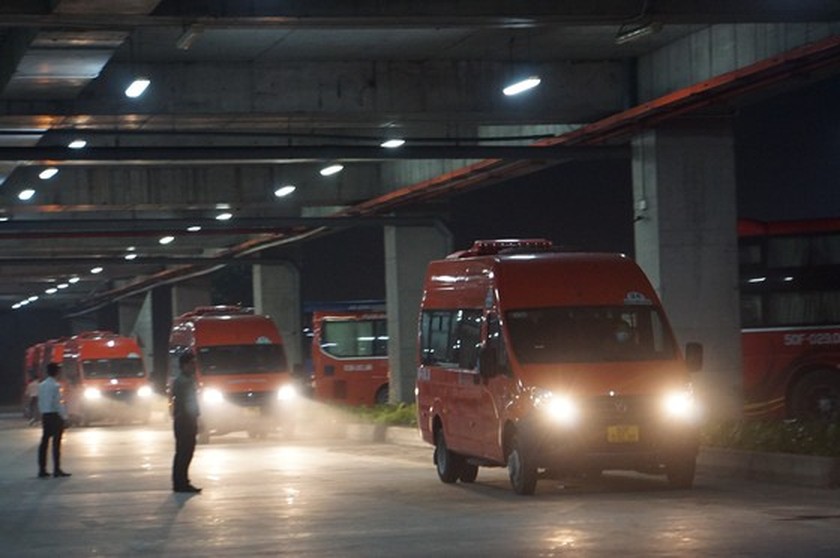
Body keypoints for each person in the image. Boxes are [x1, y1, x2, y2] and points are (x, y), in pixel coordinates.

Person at [171, 351, 202, 493]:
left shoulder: (183, 380)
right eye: (191, 363)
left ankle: (181, 481)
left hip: (183, 419)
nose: (194, 366)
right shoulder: (185, 382)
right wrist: (196, 418)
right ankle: (181, 482)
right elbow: (189, 404)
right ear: (184, 365)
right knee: (185, 452)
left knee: (183, 452)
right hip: (185, 421)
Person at [38, 363, 70, 478]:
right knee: (56, 443)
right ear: (57, 372)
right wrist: (65, 417)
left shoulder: (41, 385)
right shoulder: (55, 386)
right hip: (55, 416)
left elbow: (40, 401)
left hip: (45, 415)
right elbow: (57, 403)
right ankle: (57, 468)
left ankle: (42, 469)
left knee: (44, 443)